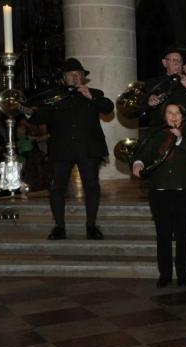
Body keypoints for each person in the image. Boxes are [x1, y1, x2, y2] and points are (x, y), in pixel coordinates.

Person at [27, 58, 114, 240]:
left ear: (83, 77)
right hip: (62, 149)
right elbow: (38, 118)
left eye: (78, 74)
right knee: (57, 188)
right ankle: (59, 227)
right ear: (64, 78)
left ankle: (91, 226)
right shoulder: (54, 97)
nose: (74, 77)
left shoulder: (94, 93)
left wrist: (91, 96)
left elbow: (108, 108)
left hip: (88, 148)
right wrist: (26, 110)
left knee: (92, 186)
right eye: (70, 74)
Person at [132, 103, 186, 288]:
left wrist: (180, 139)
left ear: (182, 116)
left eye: (177, 113)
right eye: (170, 113)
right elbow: (142, 154)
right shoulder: (155, 133)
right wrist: (138, 163)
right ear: (164, 116)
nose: (173, 116)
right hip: (159, 192)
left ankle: (182, 275)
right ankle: (164, 274)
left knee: (183, 234)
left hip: (183, 191)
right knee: (162, 234)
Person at [141, 46, 186, 129]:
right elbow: (141, 107)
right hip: (161, 131)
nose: (177, 63)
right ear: (165, 63)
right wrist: (149, 101)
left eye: (179, 61)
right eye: (173, 60)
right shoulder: (153, 83)